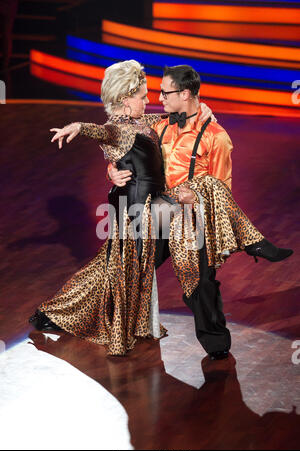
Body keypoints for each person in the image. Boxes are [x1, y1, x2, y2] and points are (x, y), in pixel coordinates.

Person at [31, 61, 292, 359]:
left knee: (172, 276)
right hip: (147, 214)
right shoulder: (139, 126)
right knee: (119, 270)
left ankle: (215, 341)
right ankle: (253, 241)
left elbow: (217, 181)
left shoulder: (186, 130)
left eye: (160, 93)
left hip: (176, 211)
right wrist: (97, 152)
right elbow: (113, 138)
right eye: (147, 95)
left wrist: (202, 113)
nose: (154, 99)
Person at [29, 60, 213, 356]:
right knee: (122, 268)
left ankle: (60, 313)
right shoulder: (118, 128)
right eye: (142, 96)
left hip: (152, 206)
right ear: (126, 100)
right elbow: (103, 133)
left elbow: (163, 121)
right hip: (136, 211)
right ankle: (60, 314)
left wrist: (194, 109)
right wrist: (78, 126)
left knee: (117, 267)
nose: (148, 100)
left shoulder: (141, 123)